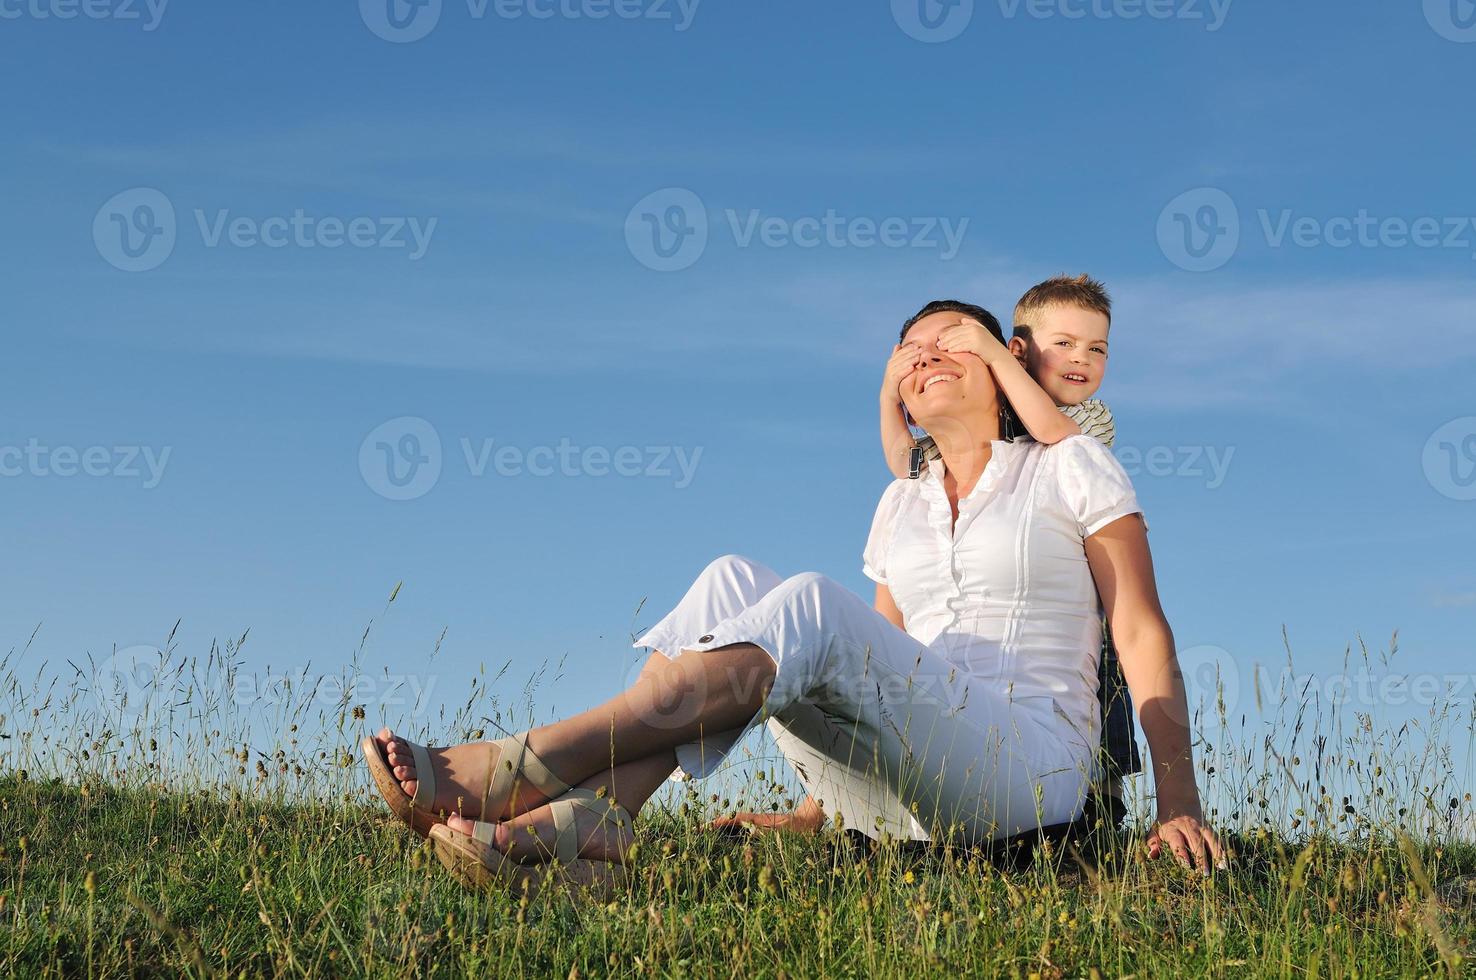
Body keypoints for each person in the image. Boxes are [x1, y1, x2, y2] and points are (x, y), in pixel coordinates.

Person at [362, 299, 1226, 896]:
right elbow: (865, 659)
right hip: (903, 799)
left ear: (1004, 369)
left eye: (951, 340)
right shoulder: (903, 501)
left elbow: (1142, 632)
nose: (924, 356)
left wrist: (1177, 804)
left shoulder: (1071, 467)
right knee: (735, 579)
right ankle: (599, 819)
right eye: (909, 350)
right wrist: (813, 814)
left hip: (1027, 777)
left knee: (808, 601)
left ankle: (520, 765)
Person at [876, 279, 1142, 818]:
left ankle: (1103, 792)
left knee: (1106, 675)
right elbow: (901, 460)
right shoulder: (983, 424)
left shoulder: (1082, 423)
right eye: (1063, 344)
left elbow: (1053, 434)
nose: (1080, 360)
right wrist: (890, 390)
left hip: (1075, 598)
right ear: (1024, 349)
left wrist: (995, 359)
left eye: (1097, 349)